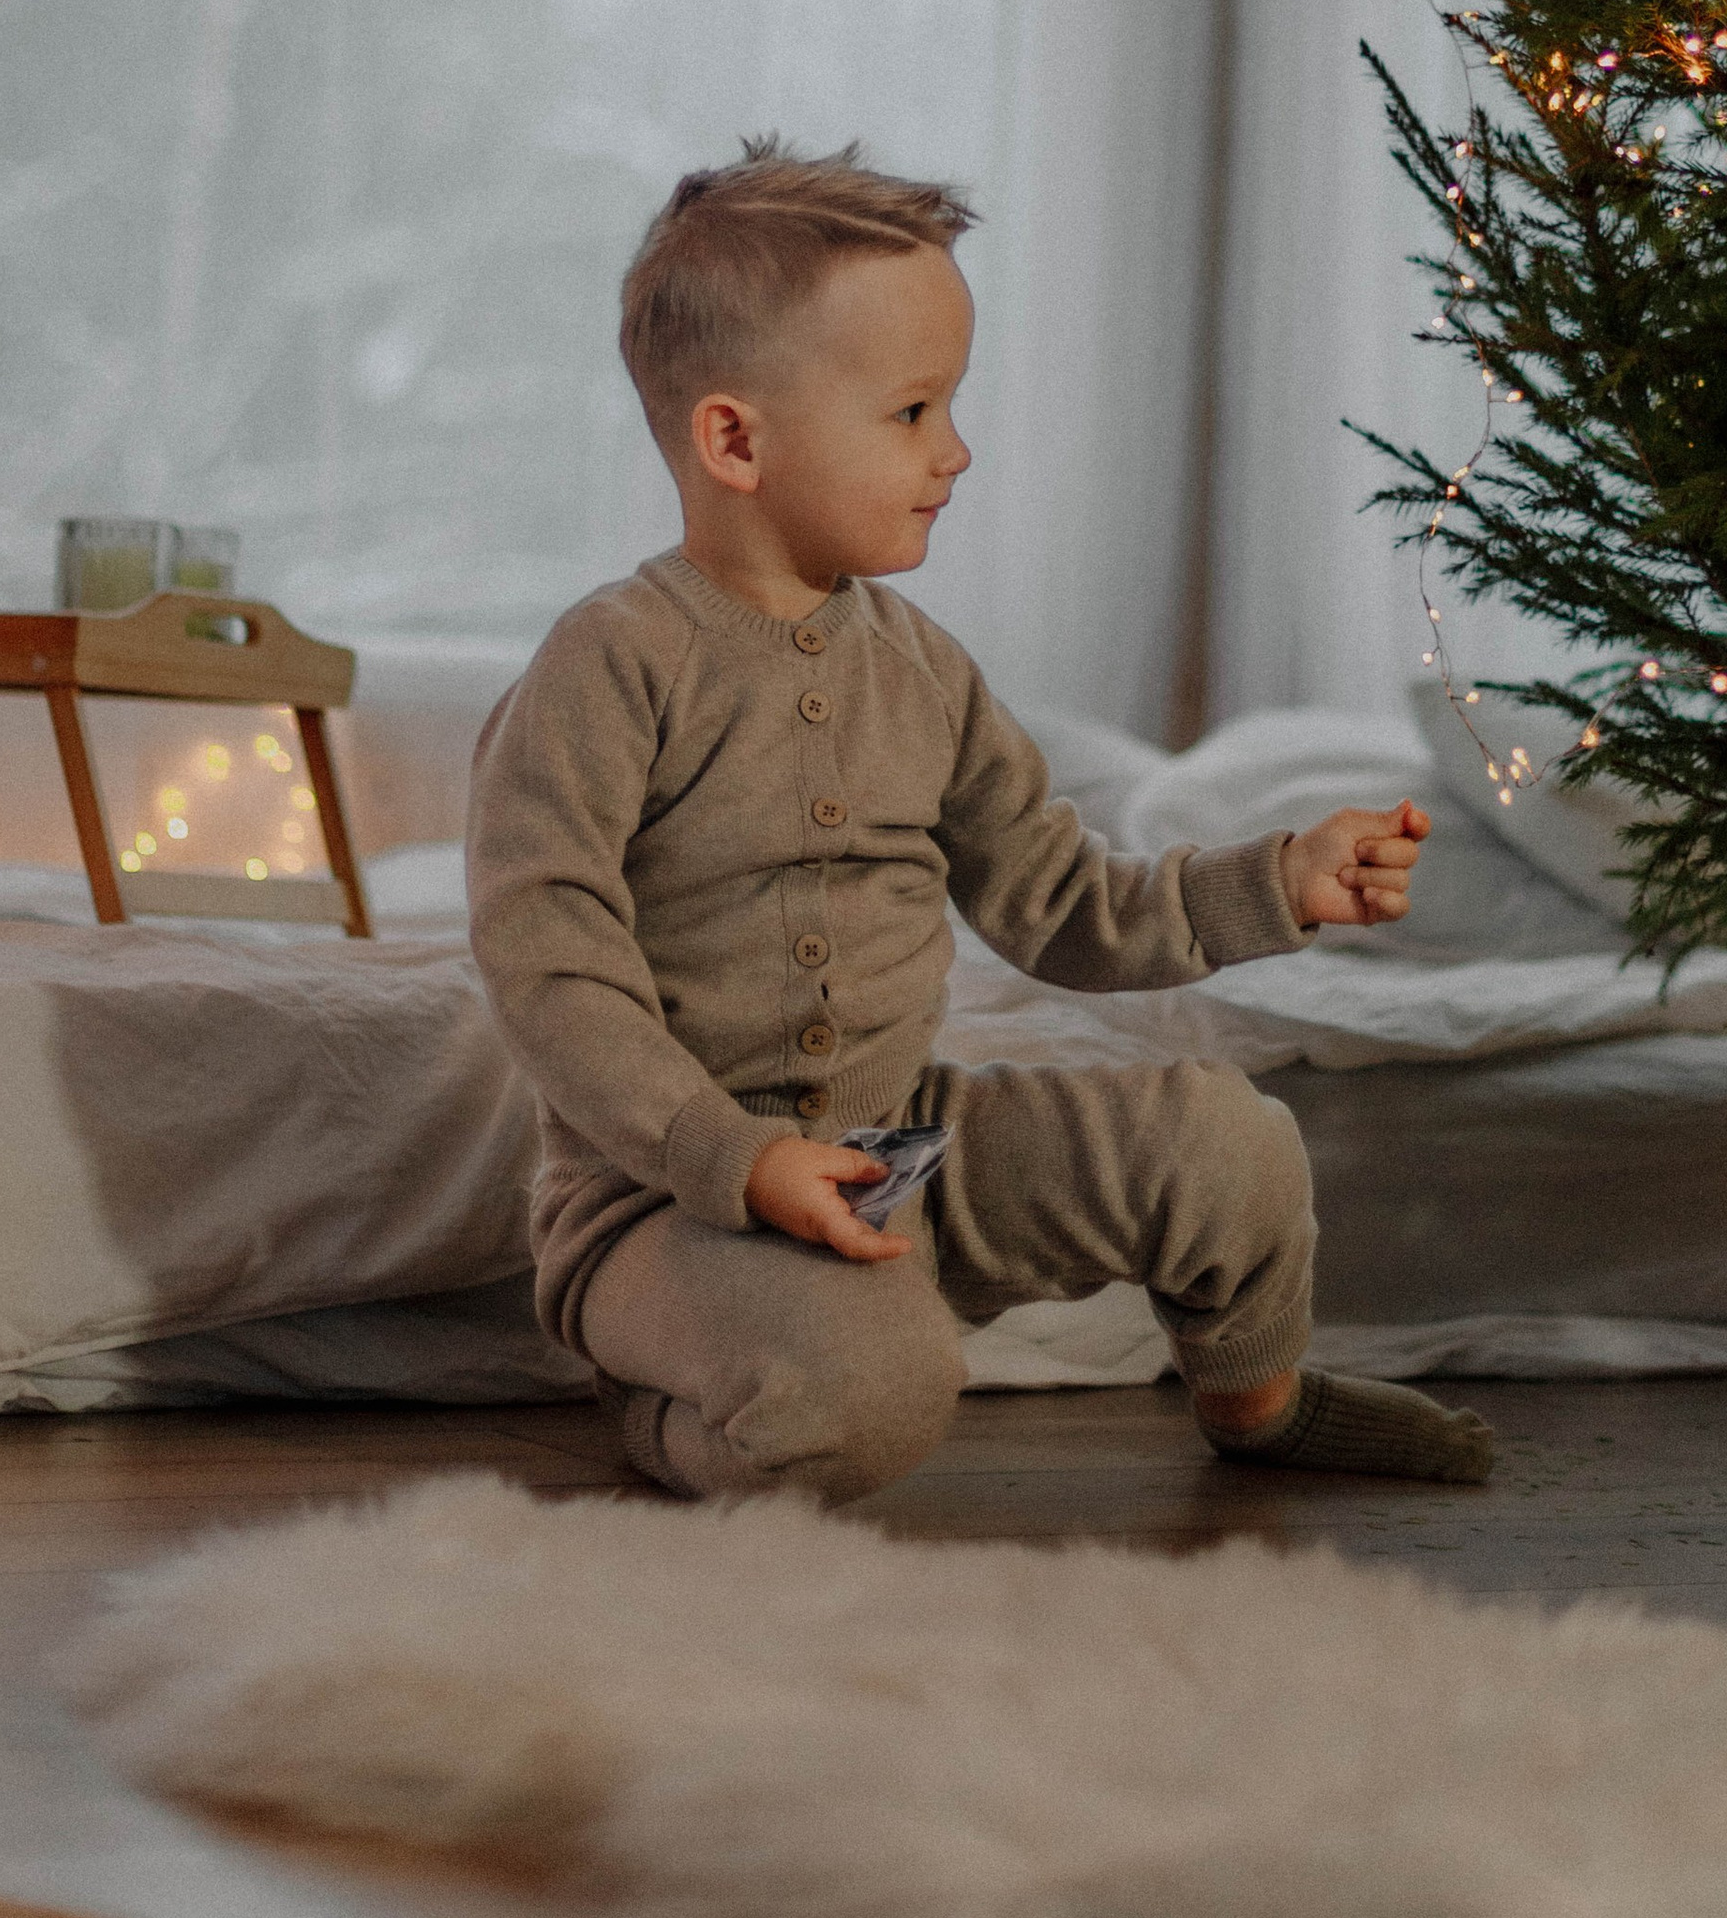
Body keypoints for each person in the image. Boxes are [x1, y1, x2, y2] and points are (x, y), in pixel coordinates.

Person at [467, 142, 1495, 1505]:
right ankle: (675, 1413)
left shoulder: (926, 671)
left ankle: (1262, 1407)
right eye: (910, 411)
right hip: (669, 1208)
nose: (957, 451)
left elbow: (1069, 906)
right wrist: (741, 1158)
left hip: (905, 1152)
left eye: (951, 404)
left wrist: (1282, 881)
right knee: (872, 1393)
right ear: (734, 440)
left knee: (1229, 1142)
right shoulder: (612, 665)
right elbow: (552, 967)